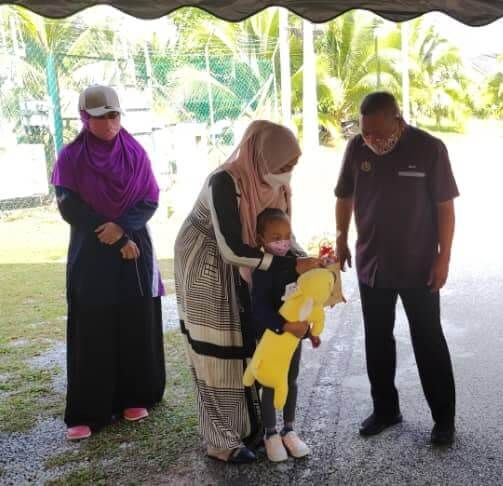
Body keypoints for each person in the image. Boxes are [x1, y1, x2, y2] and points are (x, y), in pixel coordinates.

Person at [175, 120, 320, 464]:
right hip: (208, 263)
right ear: (261, 157)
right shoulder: (224, 182)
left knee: (253, 343)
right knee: (219, 350)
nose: (288, 172)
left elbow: (283, 236)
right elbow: (231, 249)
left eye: (292, 165)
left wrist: (310, 263)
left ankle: (254, 429)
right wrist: (288, 265)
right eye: (283, 165)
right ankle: (221, 441)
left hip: (253, 263)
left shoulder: (278, 185)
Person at [334, 92, 458, 446]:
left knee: (428, 339)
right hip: (372, 264)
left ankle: (444, 419)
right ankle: (386, 410)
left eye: (378, 133)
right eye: (365, 133)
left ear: (397, 121)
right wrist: (341, 237)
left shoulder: (430, 148)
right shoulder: (356, 148)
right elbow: (344, 196)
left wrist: (444, 257)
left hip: (419, 265)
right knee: (377, 340)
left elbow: (445, 208)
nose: (371, 140)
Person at [52, 85, 166, 442]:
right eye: (99, 117)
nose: (109, 124)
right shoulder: (71, 157)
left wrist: (123, 228)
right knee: (92, 324)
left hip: (134, 247)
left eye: (114, 115)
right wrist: (112, 233)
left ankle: (135, 396)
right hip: (91, 248)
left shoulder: (134, 153)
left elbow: (150, 199)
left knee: (134, 319)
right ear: (85, 118)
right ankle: (90, 410)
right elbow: (69, 205)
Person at [247, 208, 317, 463]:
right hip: (270, 337)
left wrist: (310, 332)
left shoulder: (296, 262)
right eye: (276, 237)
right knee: (269, 382)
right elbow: (260, 309)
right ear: (261, 239)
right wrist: (285, 326)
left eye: (287, 235)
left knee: (291, 379)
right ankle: (270, 433)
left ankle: (289, 429)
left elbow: (306, 298)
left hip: (293, 338)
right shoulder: (262, 268)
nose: (283, 242)